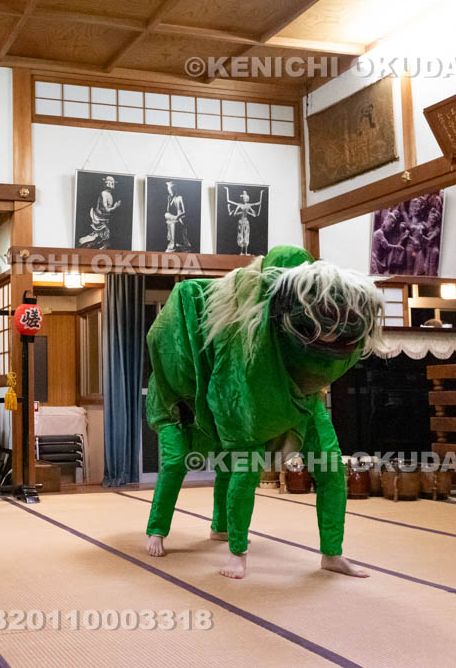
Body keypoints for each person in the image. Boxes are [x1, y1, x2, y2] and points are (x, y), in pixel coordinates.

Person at [144, 245, 382, 579]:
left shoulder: (319, 323)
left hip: (302, 397)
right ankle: (169, 532)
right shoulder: (248, 330)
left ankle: (331, 553)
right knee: (190, 460)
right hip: (190, 401)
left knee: (330, 467)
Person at [78, 175, 122, 249]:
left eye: (112, 182)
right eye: (110, 182)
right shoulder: (103, 194)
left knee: (106, 236)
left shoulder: (109, 194)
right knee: (96, 236)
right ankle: (85, 244)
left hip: (105, 219)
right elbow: (106, 209)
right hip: (99, 219)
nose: (112, 184)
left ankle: (101, 246)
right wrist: (115, 207)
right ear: (107, 183)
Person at [224, 187, 261, 255]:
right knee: (241, 236)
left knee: (246, 236)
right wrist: (227, 190)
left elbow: (258, 204)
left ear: (247, 199)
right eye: (243, 198)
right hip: (241, 222)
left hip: (246, 222)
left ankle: (246, 252)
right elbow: (229, 201)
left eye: (245, 198)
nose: (244, 199)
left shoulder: (248, 205)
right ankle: (241, 252)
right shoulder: (240, 205)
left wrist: (261, 193)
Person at [164, 181, 191, 252]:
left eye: (171, 191)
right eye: (169, 191)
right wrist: (168, 202)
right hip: (175, 217)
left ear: (175, 190)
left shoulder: (180, 198)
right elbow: (168, 211)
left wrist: (178, 217)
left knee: (174, 223)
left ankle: (174, 243)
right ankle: (173, 242)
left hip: (181, 217)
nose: (170, 193)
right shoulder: (172, 199)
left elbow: (185, 211)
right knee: (166, 214)